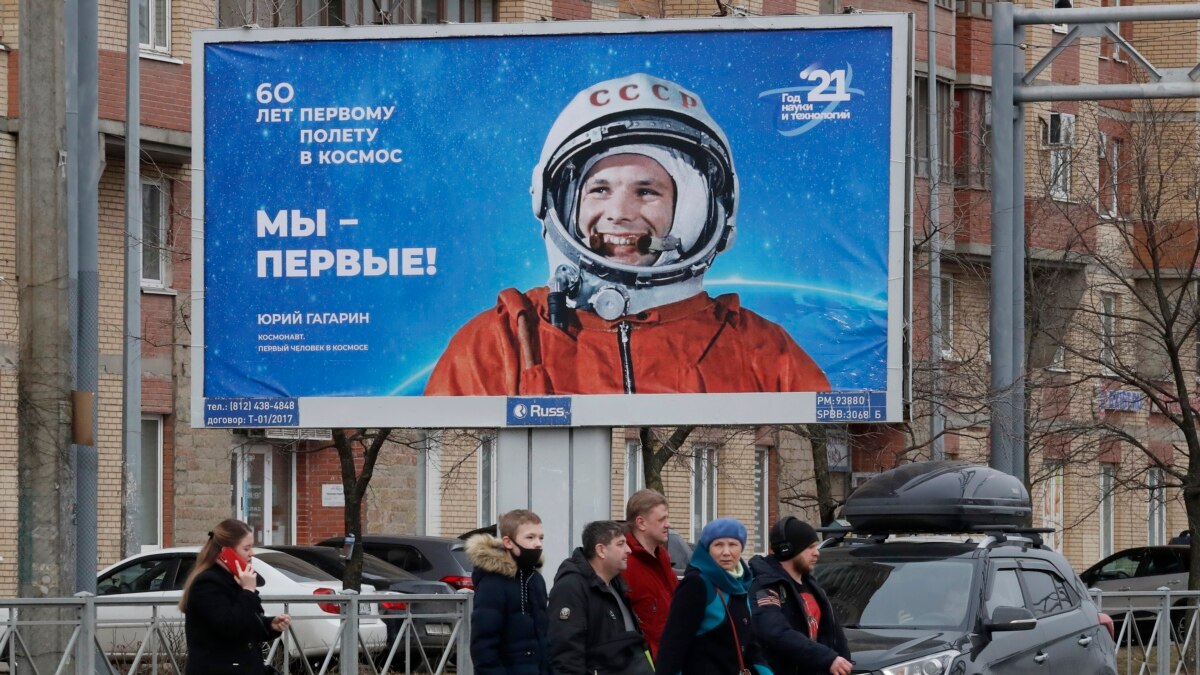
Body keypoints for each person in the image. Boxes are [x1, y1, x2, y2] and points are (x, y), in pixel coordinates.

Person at [425, 72, 830, 396]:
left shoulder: (767, 355)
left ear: (691, 212)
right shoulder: (499, 345)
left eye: (647, 191)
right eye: (599, 189)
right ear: (559, 202)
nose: (619, 214)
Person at [656, 518, 772, 675]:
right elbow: (673, 644)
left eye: (733, 544)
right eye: (718, 545)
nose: (726, 552)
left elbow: (750, 644)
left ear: (741, 547)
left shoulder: (742, 582)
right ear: (707, 548)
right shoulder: (696, 583)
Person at [179, 518, 291, 675]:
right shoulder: (207, 583)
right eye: (246, 549)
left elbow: (246, 623)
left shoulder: (235, 579)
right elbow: (229, 626)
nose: (252, 554)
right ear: (226, 552)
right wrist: (248, 591)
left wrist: (270, 625)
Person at [547, 520, 656, 675]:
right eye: (620, 544)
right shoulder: (571, 588)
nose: (629, 550)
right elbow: (566, 654)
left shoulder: (616, 586)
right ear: (601, 550)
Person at [749, 517, 851, 675]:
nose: (817, 553)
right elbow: (775, 632)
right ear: (788, 550)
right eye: (810, 547)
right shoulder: (766, 586)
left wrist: (841, 661)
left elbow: (833, 634)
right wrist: (827, 658)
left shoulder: (811, 585)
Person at [466, 509, 551, 675]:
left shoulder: (535, 580)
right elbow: (483, 648)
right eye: (530, 537)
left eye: (541, 538)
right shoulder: (493, 583)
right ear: (508, 542)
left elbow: (546, 639)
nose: (538, 544)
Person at [621, 489, 678, 658]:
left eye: (667, 518)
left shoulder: (663, 558)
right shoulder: (625, 563)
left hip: (670, 659)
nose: (668, 524)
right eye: (662, 519)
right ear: (641, 522)